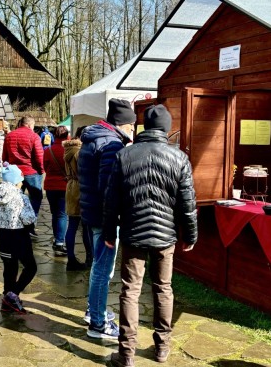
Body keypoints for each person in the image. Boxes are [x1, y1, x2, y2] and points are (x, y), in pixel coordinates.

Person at [104, 104, 198, 366]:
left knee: (130, 291)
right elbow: (187, 204)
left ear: (144, 126)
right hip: (165, 236)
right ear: (166, 129)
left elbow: (112, 200)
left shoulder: (125, 155)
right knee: (163, 289)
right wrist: (189, 235)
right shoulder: (179, 158)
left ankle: (126, 354)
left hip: (133, 233)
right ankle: (162, 348)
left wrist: (109, 232)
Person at [78, 98, 136, 339]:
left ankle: (94, 312)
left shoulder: (93, 139)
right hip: (103, 218)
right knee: (103, 270)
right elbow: (108, 189)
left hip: (90, 212)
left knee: (97, 268)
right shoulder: (111, 145)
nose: (133, 130)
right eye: (132, 126)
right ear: (123, 124)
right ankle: (98, 324)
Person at [0, 162, 38, 314]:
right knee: (31, 267)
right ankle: (13, 295)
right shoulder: (21, 197)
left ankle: (7, 298)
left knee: (9, 268)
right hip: (18, 235)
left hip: (2, 235)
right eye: (20, 179)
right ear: (15, 181)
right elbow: (28, 218)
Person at [2, 115, 44, 217]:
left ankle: (15, 221)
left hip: (14, 173)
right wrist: (41, 170)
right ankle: (31, 222)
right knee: (35, 197)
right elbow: (39, 156)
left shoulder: (9, 136)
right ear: (29, 125)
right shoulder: (34, 137)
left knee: (14, 198)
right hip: (31, 171)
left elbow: (4, 157)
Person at [63, 126, 92, 271]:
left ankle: (72, 259)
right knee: (85, 227)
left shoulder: (69, 148)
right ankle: (88, 258)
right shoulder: (79, 151)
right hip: (80, 187)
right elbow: (84, 171)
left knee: (73, 226)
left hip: (71, 186)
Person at [43, 125, 69, 256]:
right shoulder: (69, 150)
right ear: (67, 135)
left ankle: (56, 239)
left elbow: (45, 167)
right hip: (64, 186)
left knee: (55, 214)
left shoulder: (48, 150)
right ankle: (59, 242)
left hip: (50, 185)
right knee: (63, 214)